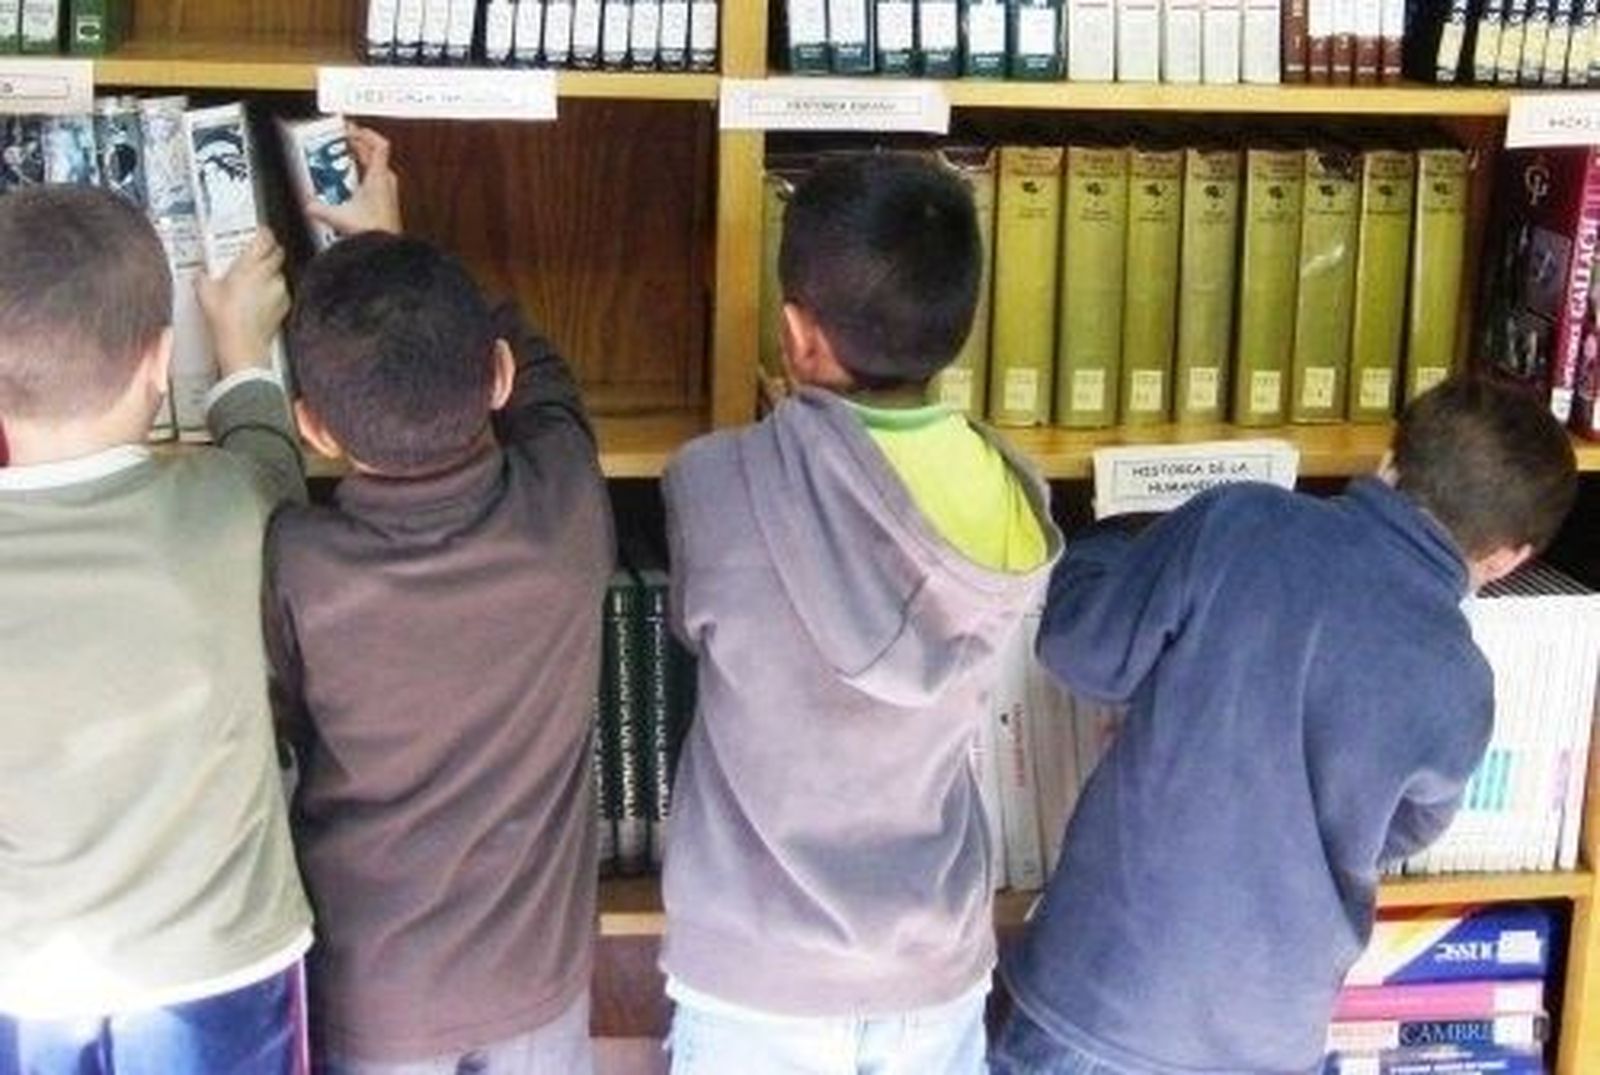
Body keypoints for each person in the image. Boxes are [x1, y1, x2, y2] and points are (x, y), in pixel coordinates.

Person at [993, 376, 1579, 1075]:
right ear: (1511, 558)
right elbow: (1406, 828)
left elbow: (1079, 648)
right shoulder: (1463, 683)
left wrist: (1101, 547)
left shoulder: (1240, 523)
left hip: (1097, 1002)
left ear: (1387, 462)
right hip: (1271, 1035)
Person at [659, 152, 1063, 1075]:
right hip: (934, 968)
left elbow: (702, 620)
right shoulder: (1015, 493)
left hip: (756, 970)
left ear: (799, 336)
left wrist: (794, 436)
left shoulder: (719, 482)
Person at [264, 129, 612, 1075]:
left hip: (372, 994)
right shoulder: (566, 510)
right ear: (492, 375)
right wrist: (393, 239)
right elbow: (547, 387)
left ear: (313, 430)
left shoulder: (298, 560)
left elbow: (280, 720)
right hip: (538, 984)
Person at [0, 186, 312, 1073]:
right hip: (219, 969)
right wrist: (245, 350)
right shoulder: (224, 509)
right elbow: (272, 464)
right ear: (159, 362)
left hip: (23, 975)